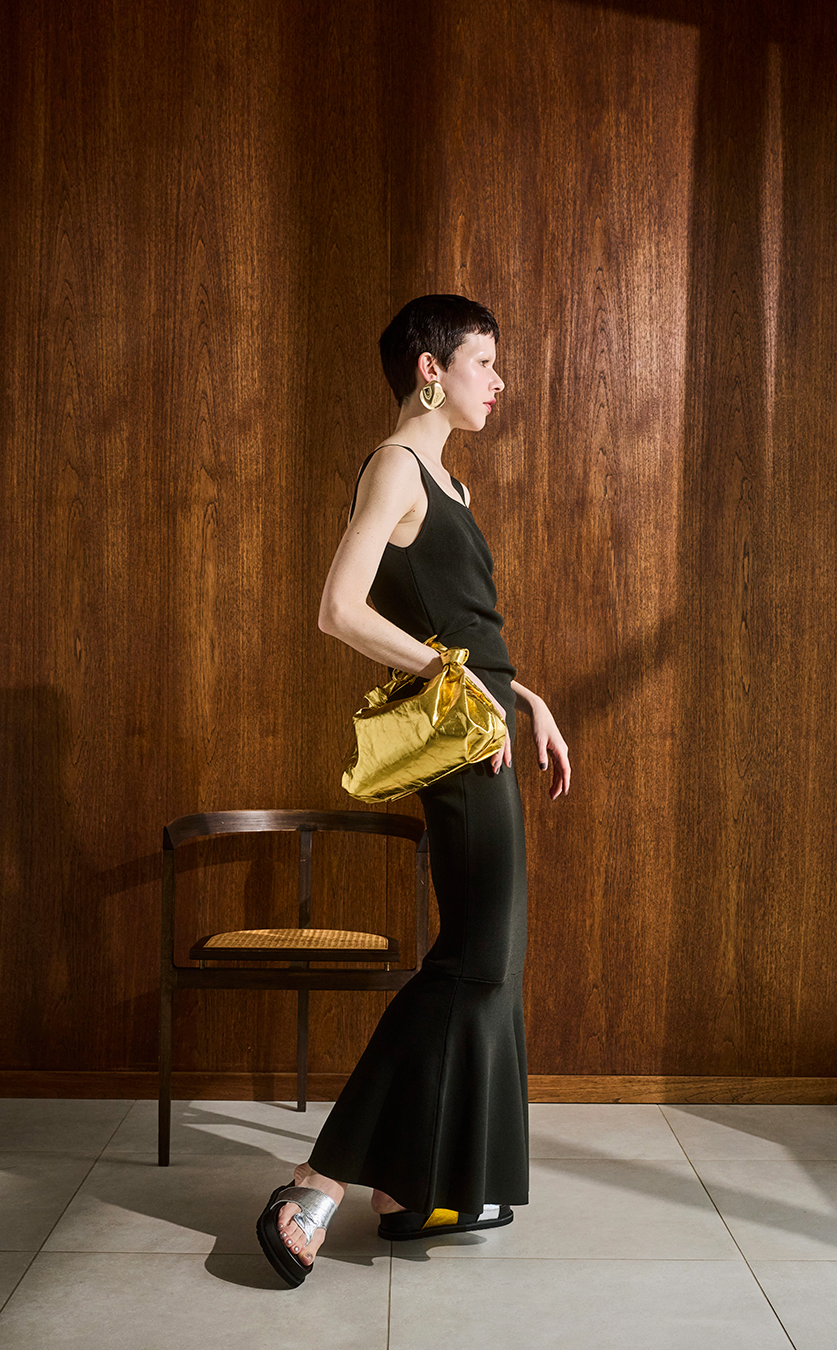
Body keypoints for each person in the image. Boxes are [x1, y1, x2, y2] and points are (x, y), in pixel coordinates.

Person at [256, 294, 571, 1287]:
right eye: (484, 362)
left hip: (487, 728)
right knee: (476, 961)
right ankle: (317, 1184)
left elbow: (462, 627)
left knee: (489, 961)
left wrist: (524, 697)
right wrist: (465, 686)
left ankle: (414, 1186)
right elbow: (338, 609)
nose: (499, 381)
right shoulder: (396, 467)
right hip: (461, 740)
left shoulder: (450, 484)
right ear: (431, 369)